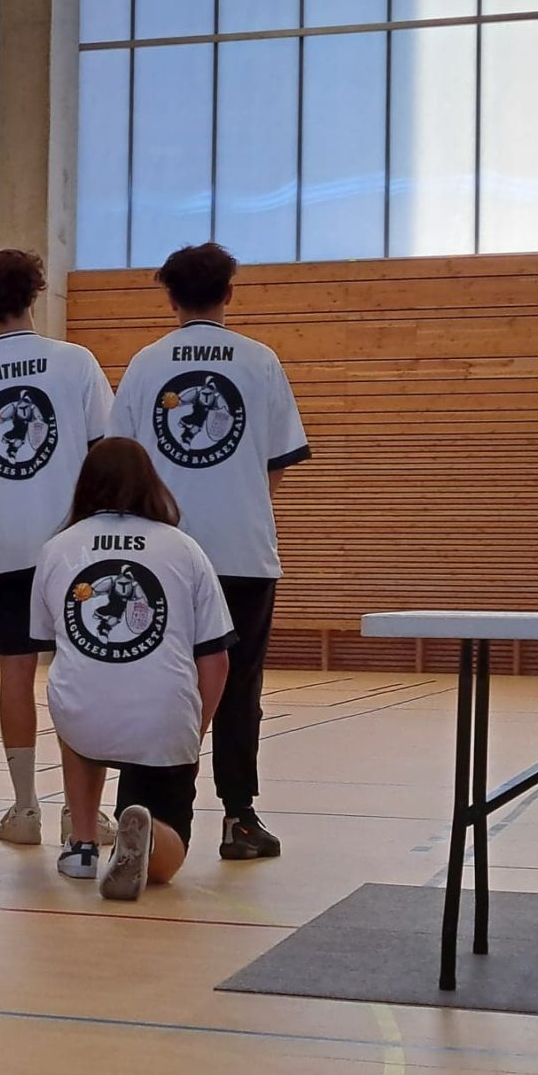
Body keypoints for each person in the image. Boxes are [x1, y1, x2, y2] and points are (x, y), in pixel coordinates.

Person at [108, 243, 310, 860]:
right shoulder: (260, 361)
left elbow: (121, 464)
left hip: (162, 555)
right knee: (239, 686)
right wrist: (237, 500)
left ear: (170, 298)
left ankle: (141, 810)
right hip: (242, 551)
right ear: (229, 293)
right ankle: (238, 819)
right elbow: (276, 464)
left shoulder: (145, 364)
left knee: (154, 678)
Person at [0, 249, 116, 847]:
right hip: (71, 542)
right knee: (79, 670)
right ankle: (80, 813)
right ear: (36, 291)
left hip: (1, 539)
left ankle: (24, 809)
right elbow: (106, 453)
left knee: (14, 671)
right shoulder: (75, 362)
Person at [30, 438, 234, 900]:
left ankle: (82, 844)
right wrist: (193, 735)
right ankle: (148, 837)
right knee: (167, 862)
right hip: (162, 716)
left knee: (75, 694)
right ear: (150, 483)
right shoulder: (184, 549)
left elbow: (51, 643)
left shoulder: (57, 549)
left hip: (84, 717)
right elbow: (216, 660)